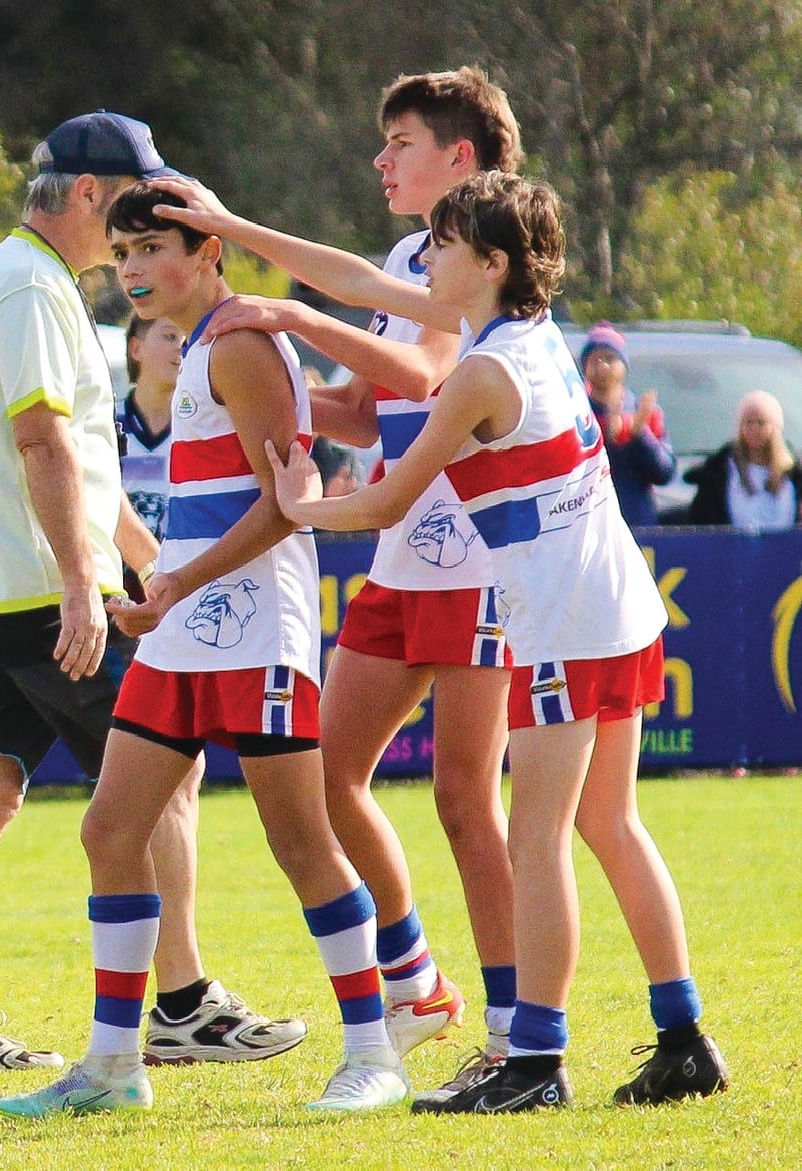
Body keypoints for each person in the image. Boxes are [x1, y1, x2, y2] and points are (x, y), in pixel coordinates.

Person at [265, 170, 728, 1113]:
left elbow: (390, 498)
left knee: (540, 834)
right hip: (618, 604)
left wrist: (300, 505)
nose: (423, 258)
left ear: (490, 263)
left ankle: (536, 1061)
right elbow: (360, 284)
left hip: (562, 619)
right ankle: (683, 1037)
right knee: (610, 822)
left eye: (443, 244)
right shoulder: (527, 334)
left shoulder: (481, 369)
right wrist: (244, 239)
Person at [0, 183, 409, 1118]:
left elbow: (284, 505)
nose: (133, 269)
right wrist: (167, 588)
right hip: (184, 633)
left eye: (152, 250)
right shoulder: (196, 347)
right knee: (108, 829)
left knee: (301, 842)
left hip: (259, 629)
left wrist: (177, 582)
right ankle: (111, 1065)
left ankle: (375, 1051)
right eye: (125, 251)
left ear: (208, 251)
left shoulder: (243, 343)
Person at [0, 112, 303, 1075]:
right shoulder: (34, 290)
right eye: (131, 197)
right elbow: (42, 443)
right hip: (44, 586)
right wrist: (87, 590)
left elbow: (83, 461)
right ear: (86, 193)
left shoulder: (20, 278)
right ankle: (183, 1002)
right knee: (163, 766)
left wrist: (145, 557)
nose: (143, 216)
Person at [153, 68, 524, 1087]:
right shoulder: (413, 254)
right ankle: (417, 984)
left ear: (459, 157)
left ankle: (512, 1033)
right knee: (331, 777)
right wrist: (251, 383)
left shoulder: (485, 258)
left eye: (398, 140)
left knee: (463, 800)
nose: (379, 159)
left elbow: (423, 374)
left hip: (483, 559)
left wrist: (282, 314)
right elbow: (366, 410)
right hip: (400, 555)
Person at [580, 322, 675, 527]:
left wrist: (639, 433)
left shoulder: (647, 412)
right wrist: (607, 438)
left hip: (637, 526)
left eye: (610, 358)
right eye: (595, 360)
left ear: (624, 365)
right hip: (589, 526)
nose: (603, 366)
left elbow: (665, 472)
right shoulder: (575, 413)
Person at [686, 389, 802, 528]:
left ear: (775, 427)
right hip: (733, 548)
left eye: (761, 423)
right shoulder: (719, 472)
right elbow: (702, 524)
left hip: (786, 549)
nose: (753, 429)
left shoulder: (793, 473)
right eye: (748, 422)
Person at [117, 314, 185, 540]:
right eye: (170, 336)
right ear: (136, 349)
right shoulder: (106, 422)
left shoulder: (200, 428)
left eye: (187, 340)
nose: (180, 347)